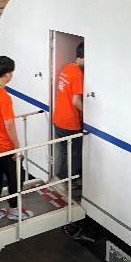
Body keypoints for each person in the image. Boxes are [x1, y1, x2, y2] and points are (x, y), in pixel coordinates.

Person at [0, 56, 33, 223]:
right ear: (8, 75)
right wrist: (17, 147)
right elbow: (9, 125)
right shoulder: (3, 97)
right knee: (15, 178)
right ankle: (14, 210)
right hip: (4, 147)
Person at [52, 42, 84, 181]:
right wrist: (89, 115)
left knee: (66, 153)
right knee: (75, 155)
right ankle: (61, 180)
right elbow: (76, 101)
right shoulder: (78, 74)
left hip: (58, 119)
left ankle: (66, 180)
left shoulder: (67, 68)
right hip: (70, 123)